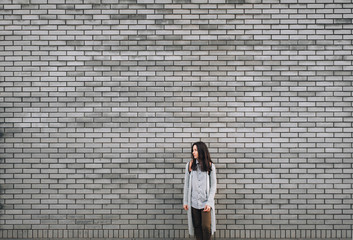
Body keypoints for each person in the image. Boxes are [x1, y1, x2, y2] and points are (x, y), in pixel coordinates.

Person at [183, 141, 217, 240]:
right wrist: (185, 201)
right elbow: (187, 185)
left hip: (205, 203)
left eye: (195, 150)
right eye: (193, 150)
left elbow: (213, 186)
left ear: (201, 151)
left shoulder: (210, 166)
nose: (193, 152)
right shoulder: (190, 165)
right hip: (193, 202)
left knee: (206, 227)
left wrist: (209, 202)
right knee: (197, 227)